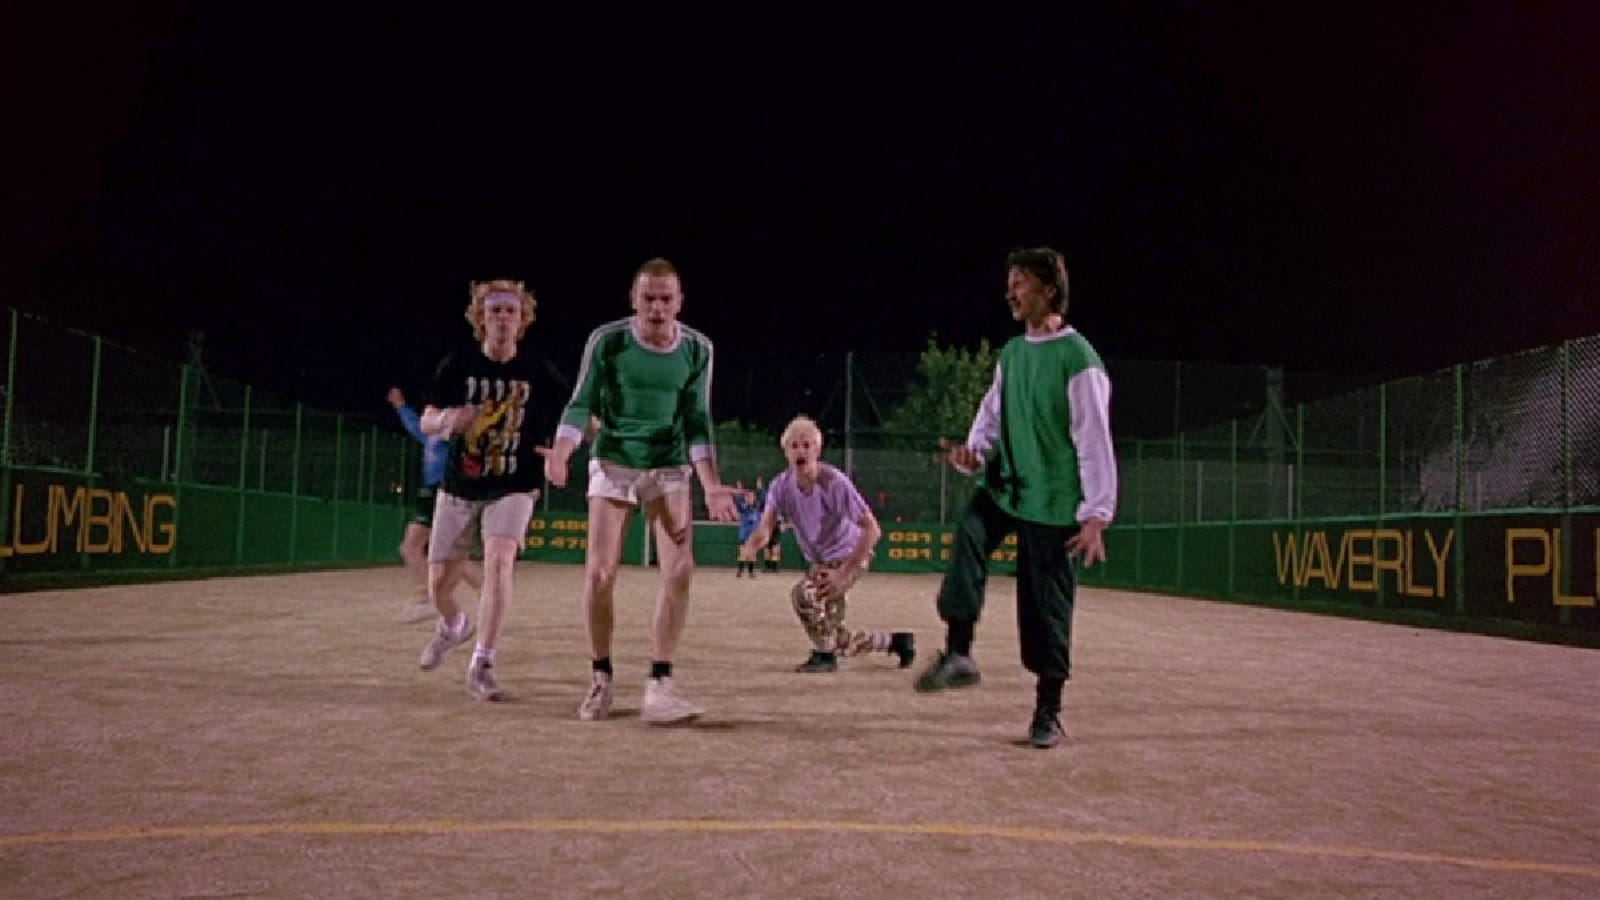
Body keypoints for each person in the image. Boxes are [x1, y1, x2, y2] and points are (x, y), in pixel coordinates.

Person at [913, 247, 1117, 750]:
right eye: (1010, 282)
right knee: (971, 533)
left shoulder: (1079, 360)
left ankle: (1048, 712)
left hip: (1055, 501)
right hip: (1009, 488)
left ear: (1049, 289)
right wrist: (974, 453)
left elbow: (1094, 440)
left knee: (1045, 607)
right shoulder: (1012, 353)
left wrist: (1096, 513)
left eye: (1020, 282)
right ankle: (959, 651)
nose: (1010, 292)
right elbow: (992, 413)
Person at [544, 257, 738, 724]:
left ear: (679, 302)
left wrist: (712, 484)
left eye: (665, 299)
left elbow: (697, 420)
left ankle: (660, 684)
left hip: (668, 466)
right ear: (633, 299)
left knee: (680, 570)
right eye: (648, 298)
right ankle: (601, 677)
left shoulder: (698, 349)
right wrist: (561, 451)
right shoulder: (607, 341)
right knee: (600, 573)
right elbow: (580, 402)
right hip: (615, 462)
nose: (657, 308)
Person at [416, 279, 567, 702]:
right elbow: (427, 419)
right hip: (459, 485)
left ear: (522, 320)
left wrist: (562, 451)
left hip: (514, 484)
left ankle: (483, 662)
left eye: (510, 311)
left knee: (500, 562)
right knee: (438, 584)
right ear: (481, 318)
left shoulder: (539, 371)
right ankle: (453, 626)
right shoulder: (456, 365)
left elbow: (574, 415)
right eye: (495, 310)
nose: (503, 318)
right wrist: (447, 421)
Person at [744, 415, 914, 673]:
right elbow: (766, 528)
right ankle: (894, 642)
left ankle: (824, 657)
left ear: (817, 449)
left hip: (850, 555)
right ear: (786, 452)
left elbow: (872, 530)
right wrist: (753, 544)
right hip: (821, 561)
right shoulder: (780, 486)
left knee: (804, 595)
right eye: (794, 446)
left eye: (807, 445)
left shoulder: (833, 482)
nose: (800, 451)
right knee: (832, 635)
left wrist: (843, 573)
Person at [387, 386, 482, 623]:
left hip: (443, 489)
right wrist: (401, 407)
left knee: (413, 547)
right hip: (432, 490)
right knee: (449, 555)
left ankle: (425, 600)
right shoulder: (435, 428)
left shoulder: (454, 426)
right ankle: (487, 592)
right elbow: (417, 428)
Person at [733, 484, 761, 577]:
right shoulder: (743, 508)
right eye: (748, 497)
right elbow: (738, 501)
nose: (750, 499)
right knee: (743, 552)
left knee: (752, 553)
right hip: (744, 533)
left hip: (754, 534)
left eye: (752, 497)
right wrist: (739, 491)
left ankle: (751, 572)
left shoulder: (757, 509)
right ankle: (740, 570)